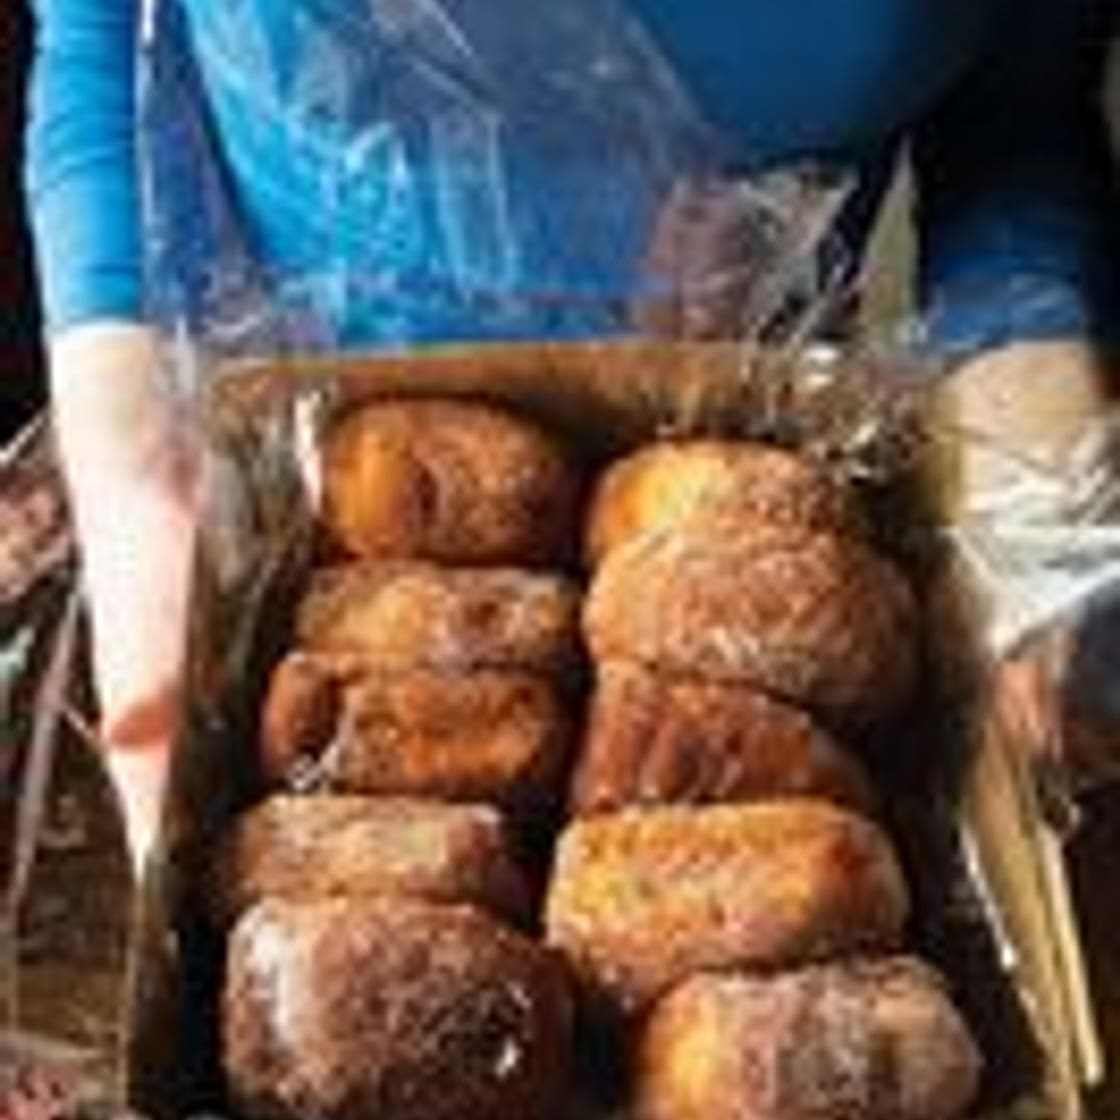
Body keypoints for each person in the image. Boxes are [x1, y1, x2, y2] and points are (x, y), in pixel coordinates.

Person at [24, 0, 1120, 870]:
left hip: (740, 452)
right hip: (271, 450)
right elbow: (98, 25)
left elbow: (1012, 120)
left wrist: (1028, 417)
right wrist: (129, 469)